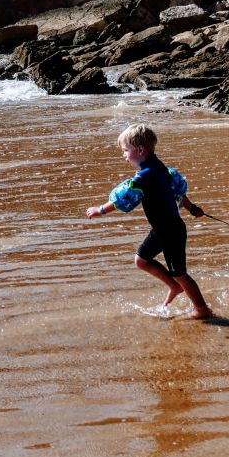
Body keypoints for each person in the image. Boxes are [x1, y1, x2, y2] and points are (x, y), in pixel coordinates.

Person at [86, 124, 212, 319]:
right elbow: (178, 190)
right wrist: (192, 208)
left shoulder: (144, 177)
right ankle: (174, 287)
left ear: (140, 150)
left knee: (179, 272)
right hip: (162, 229)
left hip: (170, 231)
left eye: (125, 151)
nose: (124, 155)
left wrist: (99, 210)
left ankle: (202, 309)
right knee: (141, 260)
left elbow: (122, 198)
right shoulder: (161, 169)